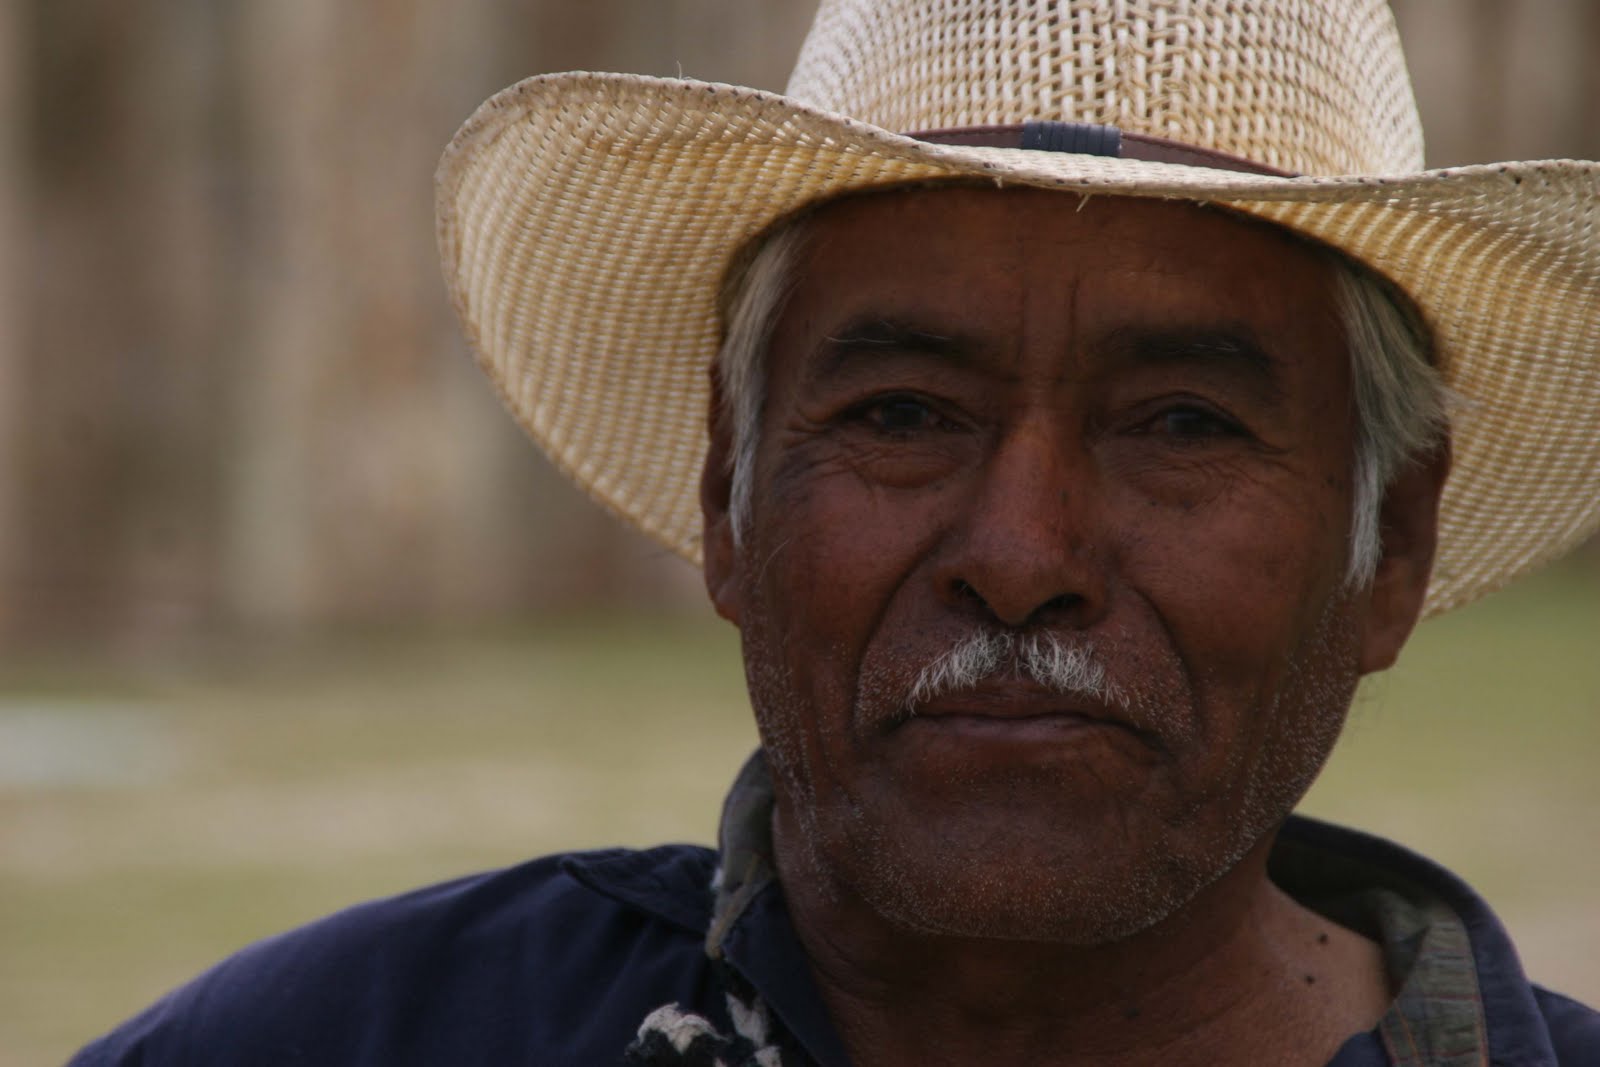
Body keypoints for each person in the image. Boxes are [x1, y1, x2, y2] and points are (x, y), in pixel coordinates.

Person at [73, 0, 1599, 1064]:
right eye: (903, 413)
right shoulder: (355, 1039)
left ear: (1391, 545)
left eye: (1183, 425)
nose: (1022, 555)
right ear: (728, 501)